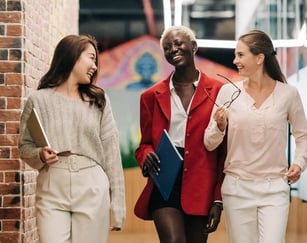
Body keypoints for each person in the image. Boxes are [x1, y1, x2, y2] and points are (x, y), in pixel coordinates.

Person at [19, 35, 126, 243]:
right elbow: (24, 146)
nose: (95, 66)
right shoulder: (38, 100)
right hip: (52, 185)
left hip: (92, 185)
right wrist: (39, 154)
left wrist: (118, 205)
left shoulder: (99, 100)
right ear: (72, 56)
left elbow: (112, 154)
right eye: (91, 58)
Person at [204, 29, 307, 243]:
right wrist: (219, 126)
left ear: (259, 58)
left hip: (274, 189)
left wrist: (299, 162)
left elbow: (302, 135)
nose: (235, 61)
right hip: (236, 188)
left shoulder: (288, 94)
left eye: (241, 55)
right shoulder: (228, 92)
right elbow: (209, 142)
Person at [134, 25, 226, 243]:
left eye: (178, 43)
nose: (172, 49)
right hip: (165, 181)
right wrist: (145, 154)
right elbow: (144, 143)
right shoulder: (150, 96)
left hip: (201, 184)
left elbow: (224, 151)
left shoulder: (220, 91)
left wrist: (218, 199)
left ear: (193, 46)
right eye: (167, 47)